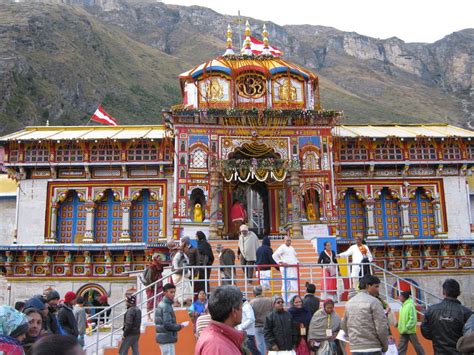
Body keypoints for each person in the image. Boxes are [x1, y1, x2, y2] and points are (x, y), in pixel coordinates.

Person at [421, 278, 472, 354]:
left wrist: (437, 338)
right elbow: (470, 339)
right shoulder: (467, 313)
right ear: (459, 293)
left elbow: (425, 332)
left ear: (443, 292)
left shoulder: (431, 310)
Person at [341, 274, 389, 354]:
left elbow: (344, 325)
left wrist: (352, 340)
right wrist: (385, 346)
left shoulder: (349, 303)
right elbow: (381, 327)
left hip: (355, 348)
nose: (378, 290)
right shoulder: (374, 302)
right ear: (367, 285)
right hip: (373, 347)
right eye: (376, 286)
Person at [195, 285, 245, 354]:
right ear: (234, 311)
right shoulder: (217, 347)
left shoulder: (216, 338)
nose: (242, 310)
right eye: (241, 305)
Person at [155, 283, 188, 355]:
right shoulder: (166, 306)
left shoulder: (164, 304)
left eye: (174, 292)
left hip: (166, 338)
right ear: (165, 293)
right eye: (171, 292)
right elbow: (167, 324)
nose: (173, 294)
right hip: (166, 338)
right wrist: (180, 326)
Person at [272, 236, 299, 303]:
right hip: (286, 269)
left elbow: (294, 257)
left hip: (293, 268)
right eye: (287, 240)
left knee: (293, 284)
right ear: (284, 241)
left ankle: (292, 299)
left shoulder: (292, 248)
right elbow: (274, 255)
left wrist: (297, 262)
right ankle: (285, 299)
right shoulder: (282, 247)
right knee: (286, 284)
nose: (289, 242)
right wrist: (281, 262)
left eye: (290, 240)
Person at [397, 291, 424, 355]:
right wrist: (398, 325)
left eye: (400, 296)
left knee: (416, 345)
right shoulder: (402, 306)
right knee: (401, 347)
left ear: (404, 297)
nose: (399, 297)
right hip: (403, 330)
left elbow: (413, 318)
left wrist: (407, 327)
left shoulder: (410, 305)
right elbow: (402, 318)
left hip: (410, 331)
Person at [250, 286, 273, 355]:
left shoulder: (252, 302)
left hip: (257, 326)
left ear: (254, 293)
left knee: (260, 345)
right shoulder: (269, 300)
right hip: (268, 325)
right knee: (269, 344)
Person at [142, 253, 164, 320]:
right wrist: (151, 286)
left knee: (159, 301)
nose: (160, 260)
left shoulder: (159, 267)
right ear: (155, 259)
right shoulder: (152, 267)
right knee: (150, 301)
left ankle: (158, 316)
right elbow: (149, 278)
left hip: (159, 286)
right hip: (151, 287)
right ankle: (149, 317)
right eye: (159, 259)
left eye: (160, 259)